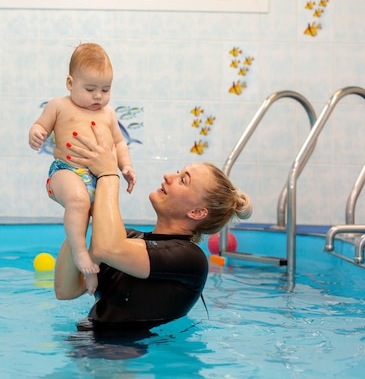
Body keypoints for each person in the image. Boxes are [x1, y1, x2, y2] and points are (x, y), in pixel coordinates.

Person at [54, 123, 252, 331]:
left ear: (196, 212)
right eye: (178, 172)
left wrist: (108, 175)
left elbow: (108, 249)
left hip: (127, 359)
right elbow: (65, 290)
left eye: (183, 180)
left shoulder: (191, 260)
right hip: (87, 350)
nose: (168, 176)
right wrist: (80, 213)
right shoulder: (127, 238)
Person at [29, 43, 137, 295]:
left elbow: (120, 143)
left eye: (105, 89)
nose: (98, 96)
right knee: (78, 201)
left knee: (106, 226)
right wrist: (36, 133)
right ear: (70, 82)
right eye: (90, 89)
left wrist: (127, 166)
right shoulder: (59, 105)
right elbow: (39, 125)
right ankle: (80, 255)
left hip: (97, 178)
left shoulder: (109, 114)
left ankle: (92, 271)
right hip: (65, 171)